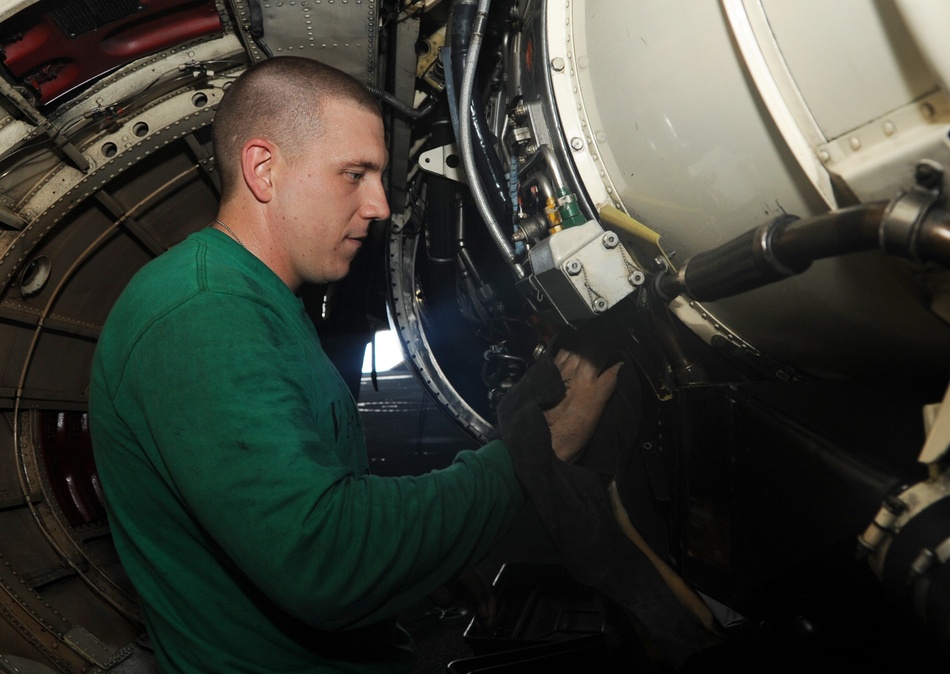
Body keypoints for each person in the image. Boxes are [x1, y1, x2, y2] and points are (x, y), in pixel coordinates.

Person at [88, 56, 620, 673]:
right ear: (264, 169)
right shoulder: (203, 313)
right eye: (355, 174)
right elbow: (324, 560)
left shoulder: (251, 301)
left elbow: (278, 530)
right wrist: (530, 455)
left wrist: (416, 580)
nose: (379, 206)